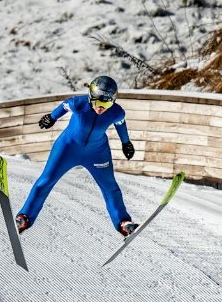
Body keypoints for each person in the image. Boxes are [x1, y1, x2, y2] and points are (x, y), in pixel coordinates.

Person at [15, 76, 139, 236]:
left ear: (113, 101)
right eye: (97, 102)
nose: (101, 108)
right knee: (45, 181)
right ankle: (25, 217)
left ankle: (123, 222)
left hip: (97, 152)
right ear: (90, 97)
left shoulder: (116, 112)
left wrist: (126, 143)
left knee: (110, 187)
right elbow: (64, 105)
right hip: (68, 148)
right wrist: (52, 117)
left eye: (106, 103)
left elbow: (120, 123)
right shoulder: (78, 104)